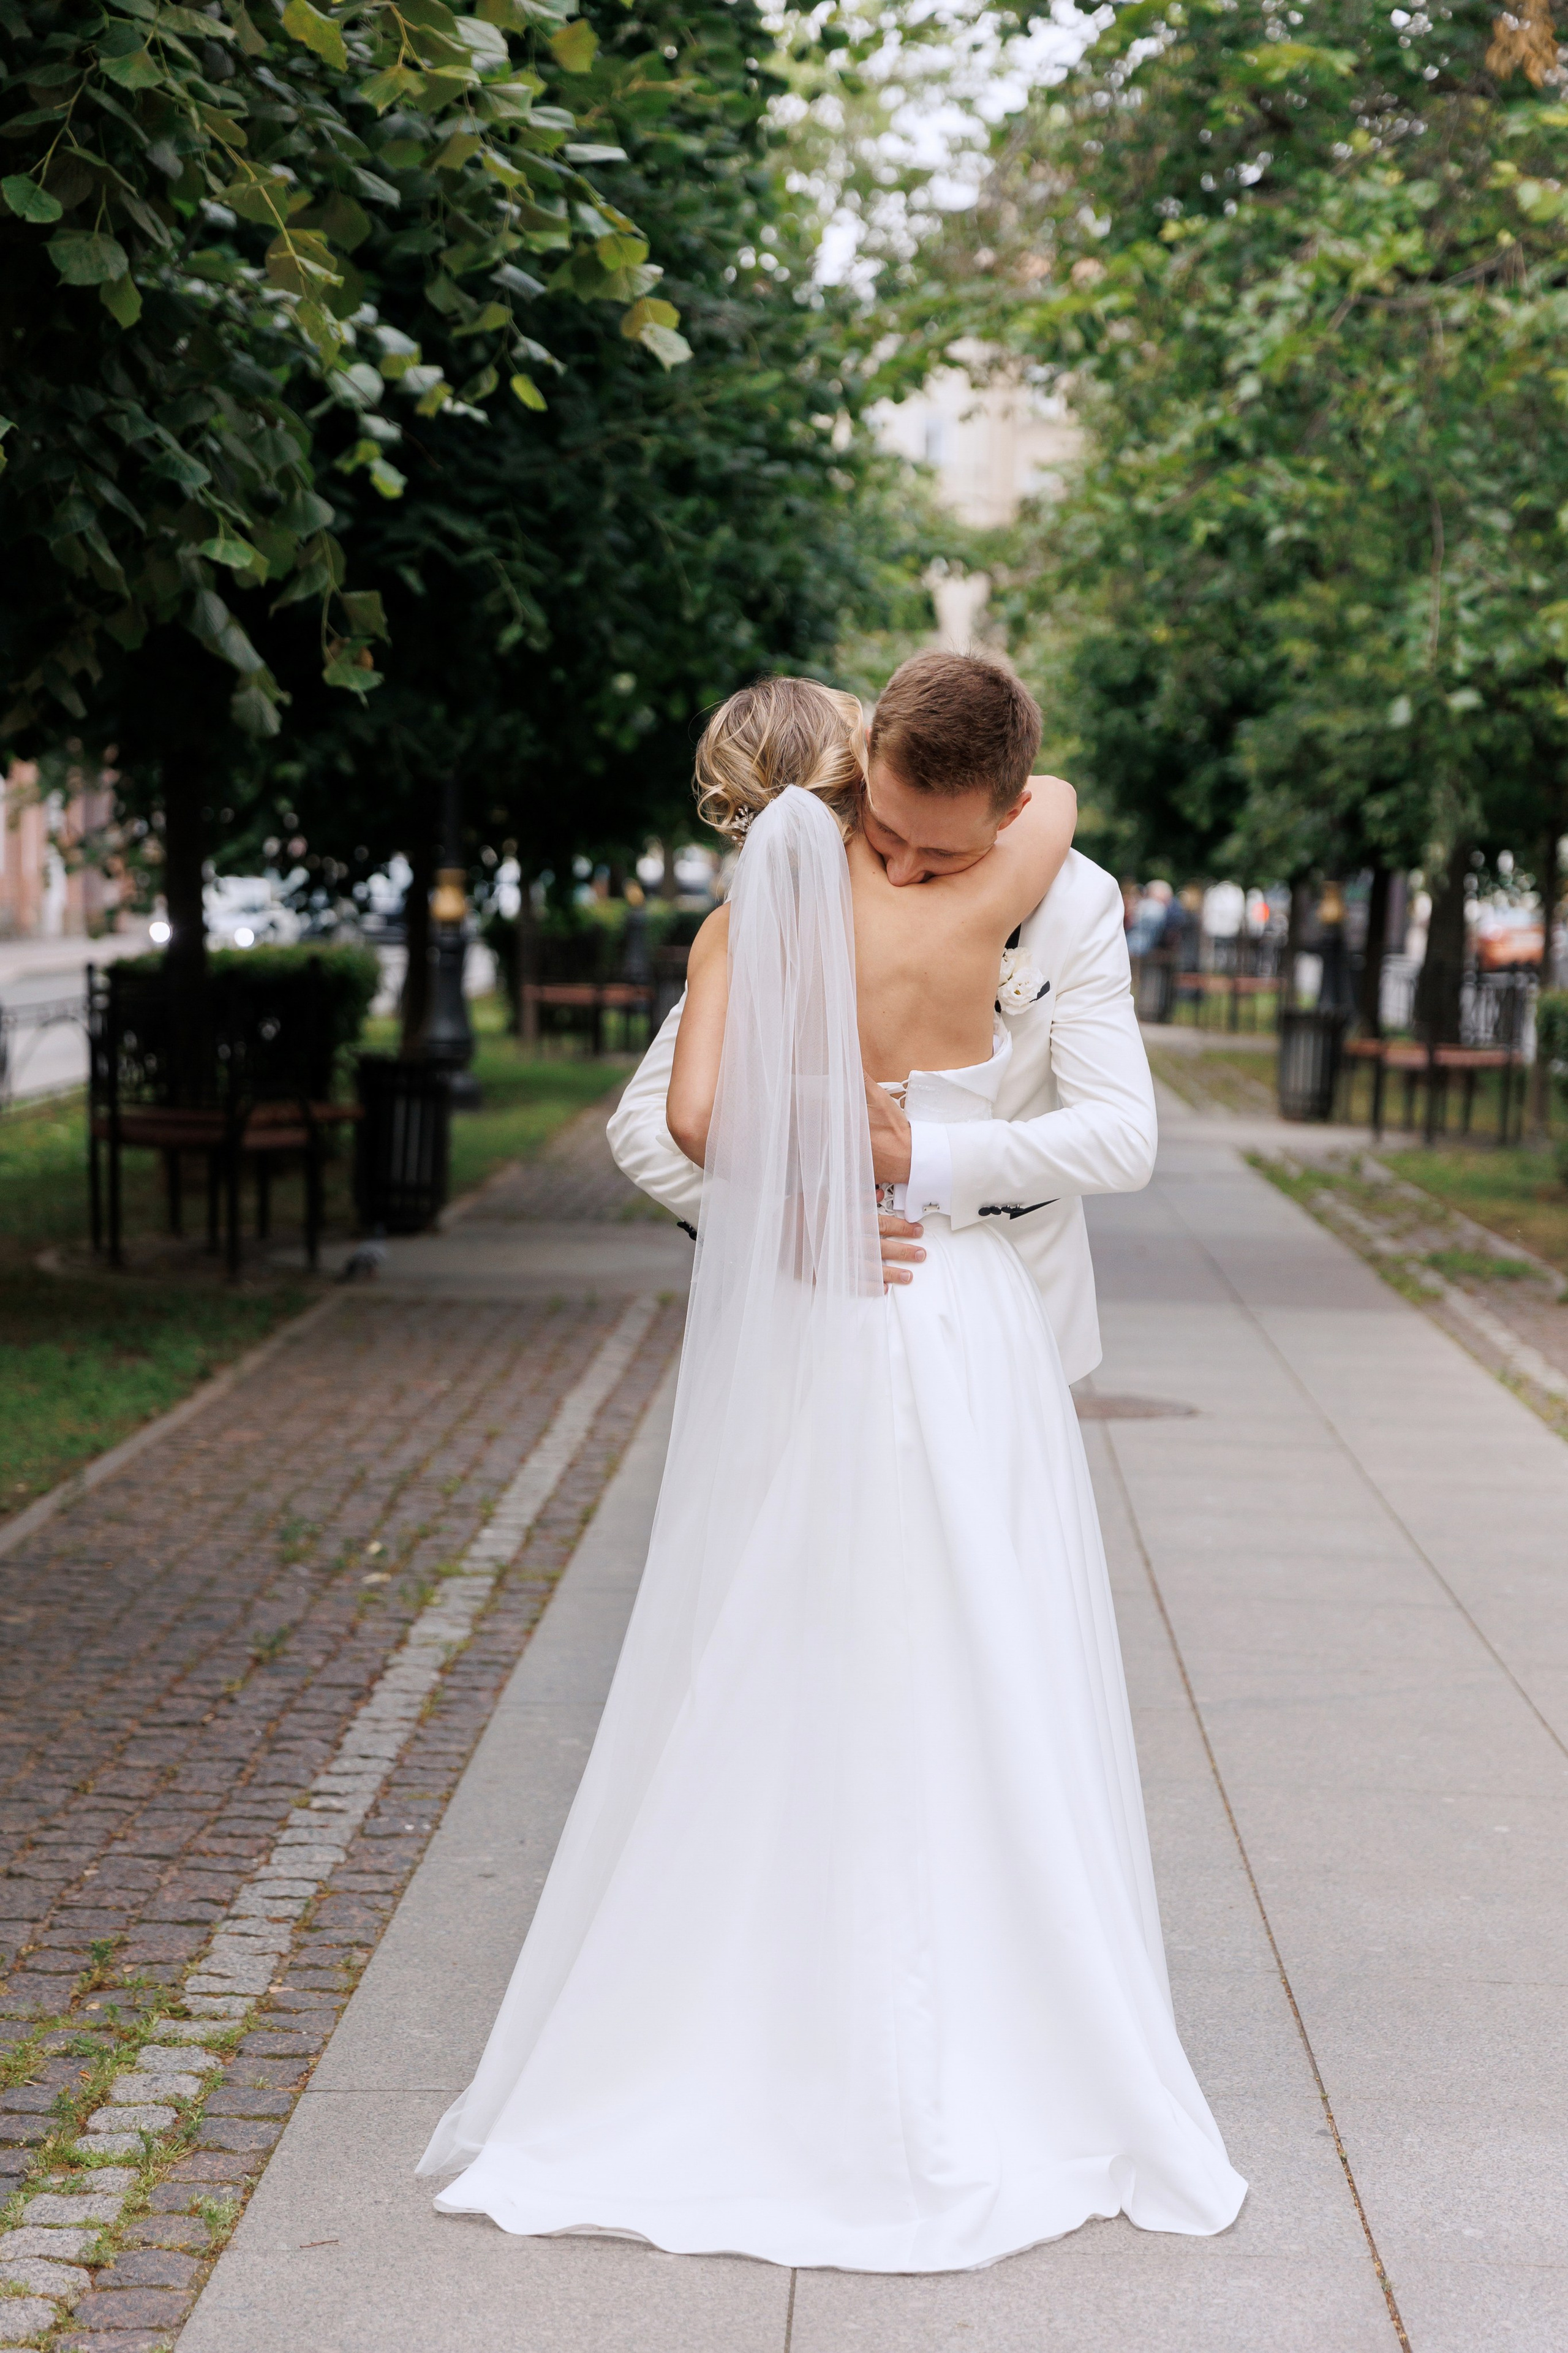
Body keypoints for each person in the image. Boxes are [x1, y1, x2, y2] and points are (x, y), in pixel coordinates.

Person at [417, 657, 1245, 2269]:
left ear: (1012, 813)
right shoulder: (799, 862)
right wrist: (798, 1209)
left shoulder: (1063, 896)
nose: (916, 870)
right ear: (863, 770)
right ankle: (782, 2011)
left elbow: (1121, 1135)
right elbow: (662, 1123)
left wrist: (915, 1158)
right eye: (895, 832)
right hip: (820, 1325)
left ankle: (986, 2020)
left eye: (949, 851)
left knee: (984, 1675)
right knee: (797, 1655)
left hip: (984, 1322)